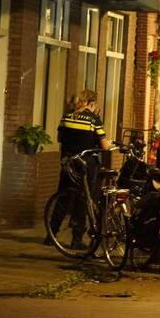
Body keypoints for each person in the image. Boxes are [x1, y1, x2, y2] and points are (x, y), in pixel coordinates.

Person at [47, 89, 111, 249]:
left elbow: (59, 138)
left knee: (63, 197)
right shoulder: (93, 120)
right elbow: (105, 145)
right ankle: (76, 239)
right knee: (83, 199)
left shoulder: (67, 116)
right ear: (91, 103)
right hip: (86, 163)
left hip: (68, 161)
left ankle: (51, 234)